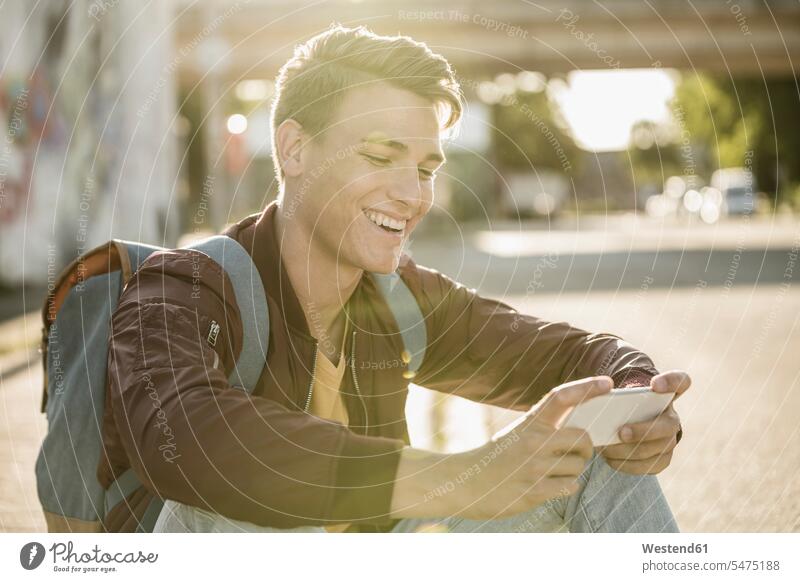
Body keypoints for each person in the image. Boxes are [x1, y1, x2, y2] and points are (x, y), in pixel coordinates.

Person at [103, 25, 690, 534]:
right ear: (295, 148)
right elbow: (184, 439)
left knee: (592, 465)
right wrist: (460, 476)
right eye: (381, 158)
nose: (412, 195)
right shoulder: (181, 287)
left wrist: (638, 398)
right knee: (234, 494)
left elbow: (569, 358)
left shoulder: (398, 299)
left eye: (426, 169)